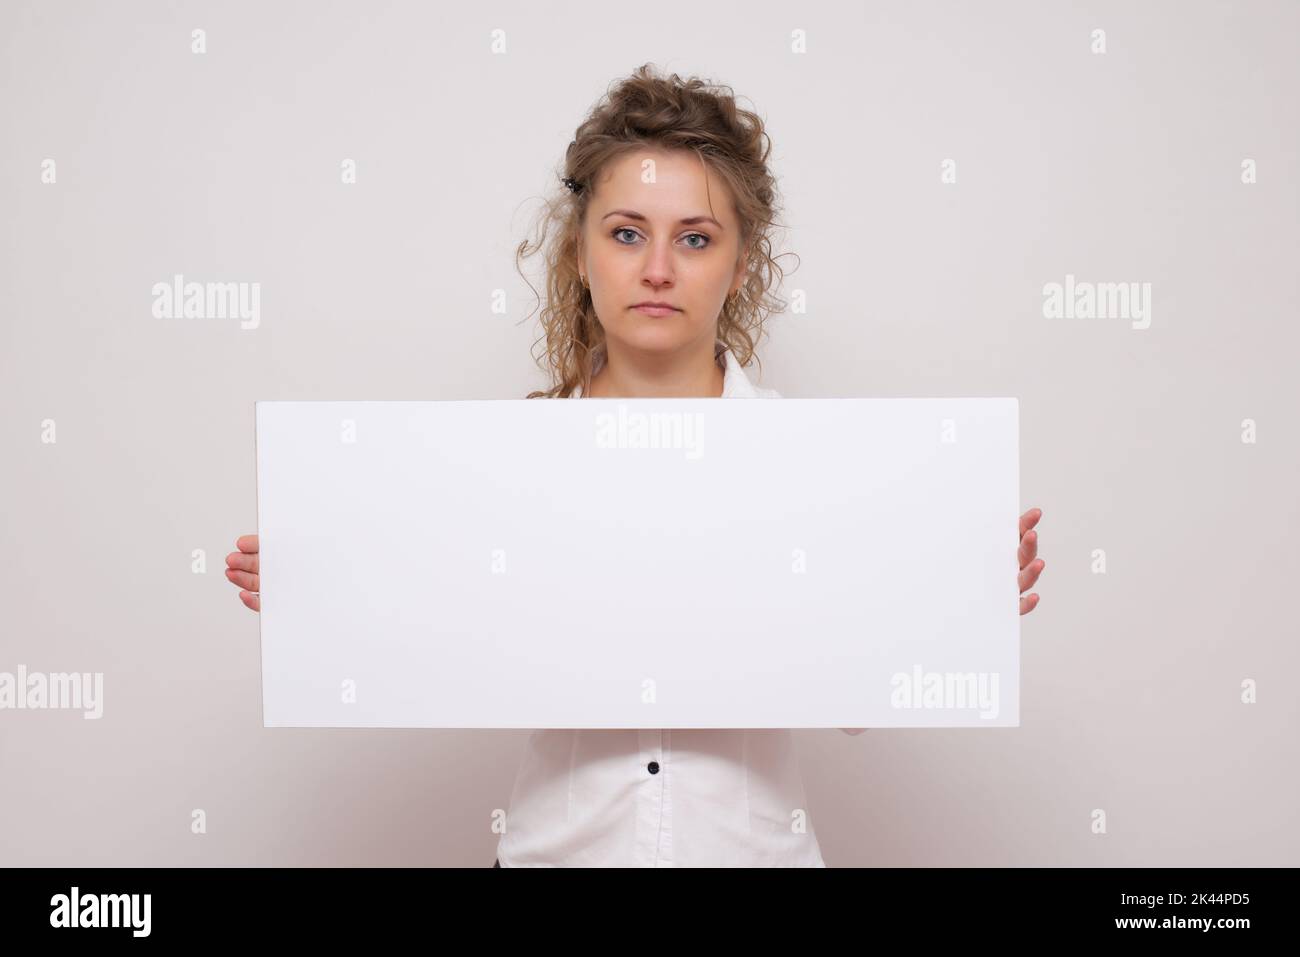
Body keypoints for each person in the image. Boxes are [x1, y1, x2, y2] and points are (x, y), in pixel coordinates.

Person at [226, 63, 1046, 867]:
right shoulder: (501, 464)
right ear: (580, 254)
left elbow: (853, 701)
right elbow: (433, 638)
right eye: (626, 233)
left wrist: (943, 602)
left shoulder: (815, 462)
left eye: (695, 238)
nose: (658, 269)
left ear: (741, 263)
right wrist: (327, 590)